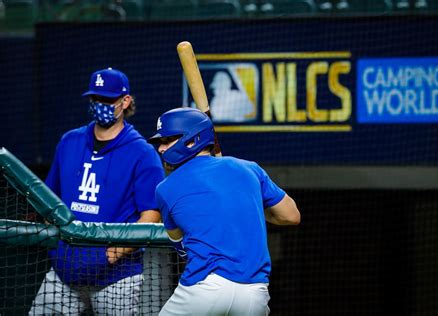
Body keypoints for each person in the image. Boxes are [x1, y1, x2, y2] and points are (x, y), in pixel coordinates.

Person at [29, 68, 165, 315]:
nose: (100, 104)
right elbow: (49, 200)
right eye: (95, 99)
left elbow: (151, 215)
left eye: (107, 99)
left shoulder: (143, 153)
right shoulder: (69, 141)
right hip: (64, 271)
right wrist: (57, 249)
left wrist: (111, 255)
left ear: (125, 102)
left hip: (117, 276)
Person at [147, 107, 301, 315]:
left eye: (167, 141)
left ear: (192, 140)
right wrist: (247, 202)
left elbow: (179, 243)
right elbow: (291, 216)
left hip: (204, 290)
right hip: (254, 294)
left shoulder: (165, 189)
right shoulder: (249, 169)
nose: (161, 149)